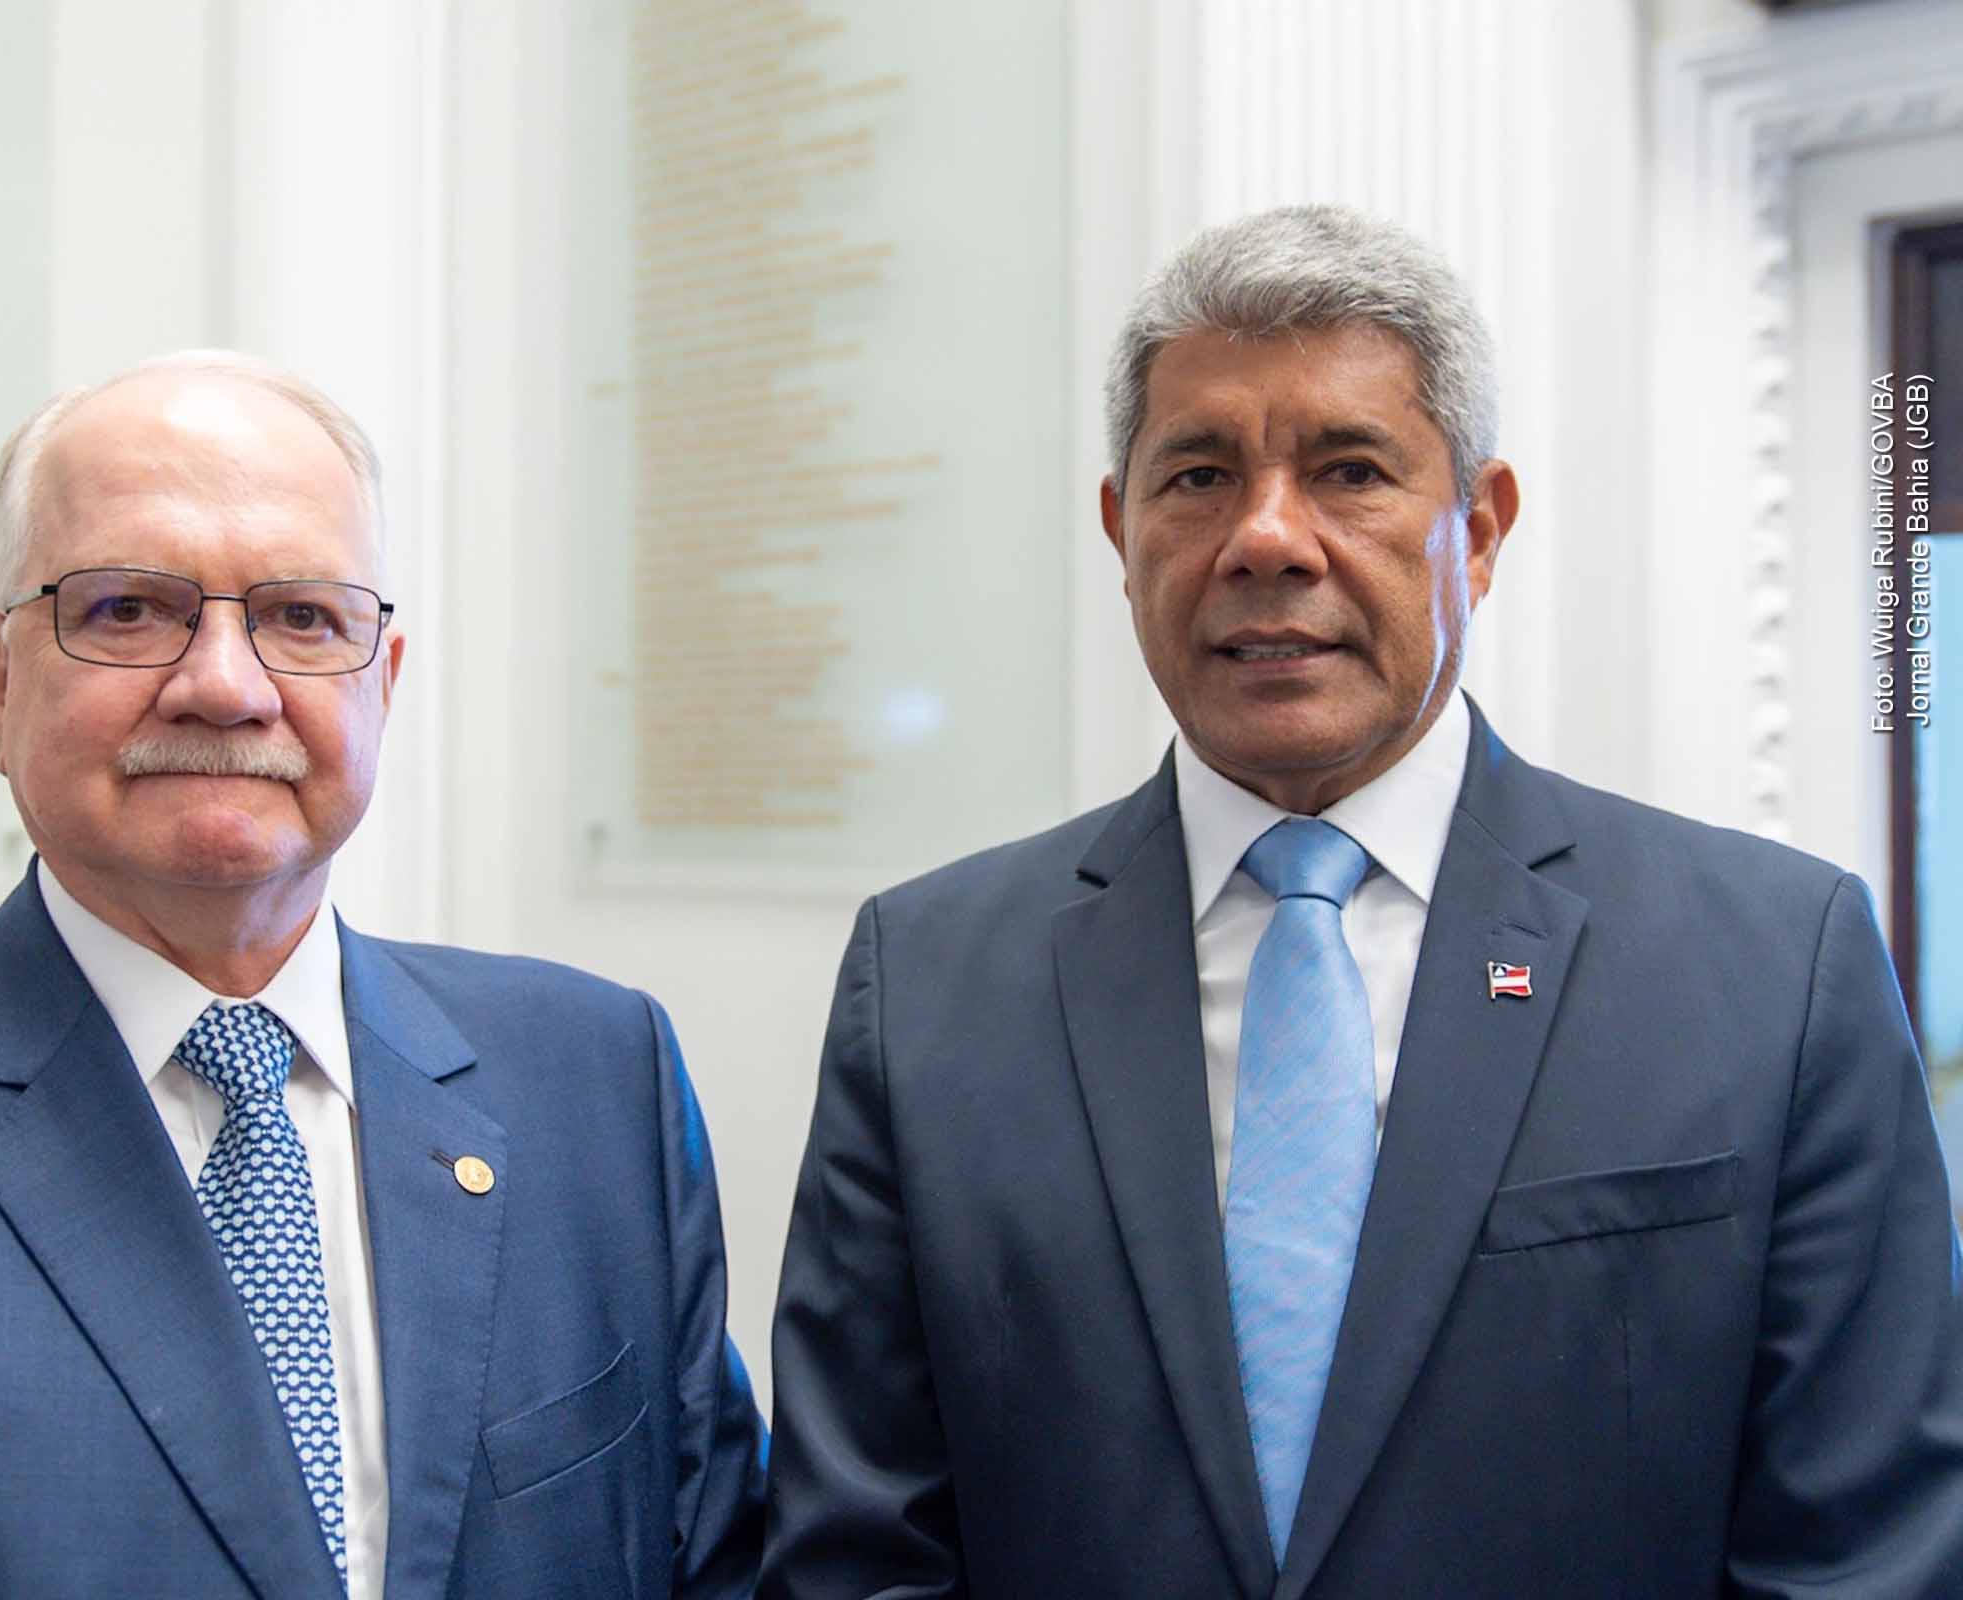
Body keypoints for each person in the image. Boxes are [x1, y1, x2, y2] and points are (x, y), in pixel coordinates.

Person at [760, 206, 1963, 1597]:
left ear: (1481, 529)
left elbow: (1869, 1556)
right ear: (1121, 531)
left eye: (1350, 471)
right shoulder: (926, 983)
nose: (1268, 539)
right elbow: (861, 1552)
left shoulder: (1773, 965)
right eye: (1199, 476)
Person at [0, 352, 765, 1599]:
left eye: (303, 618)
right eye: (128, 608)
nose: (226, 687)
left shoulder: (594, 1076)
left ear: (384, 681)